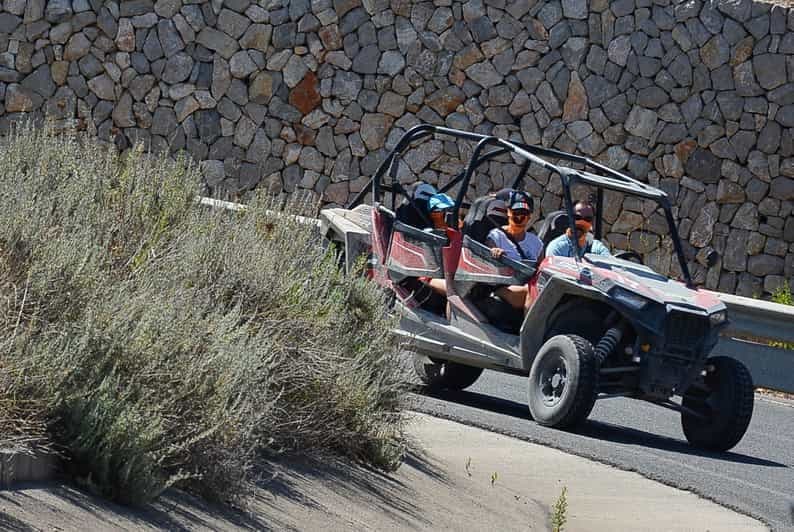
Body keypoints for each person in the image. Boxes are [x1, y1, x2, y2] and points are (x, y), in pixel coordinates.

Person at [484, 190, 543, 311]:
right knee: (532, 290)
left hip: (525, 285)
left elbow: (541, 272)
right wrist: (494, 252)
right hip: (502, 287)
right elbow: (487, 261)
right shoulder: (496, 236)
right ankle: (528, 330)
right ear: (508, 212)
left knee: (539, 290)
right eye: (516, 212)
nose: (520, 217)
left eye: (524, 214)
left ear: (529, 217)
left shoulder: (537, 244)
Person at [545, 201, 611, 258]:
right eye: (577, 217)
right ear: (570, 218)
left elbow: (610, 264)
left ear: (592, 222)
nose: (582, 222)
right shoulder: (557, 248)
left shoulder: (597, 248)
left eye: (587, 219)